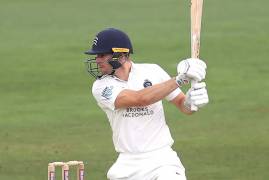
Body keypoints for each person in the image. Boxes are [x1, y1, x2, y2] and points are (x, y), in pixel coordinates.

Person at [84, 28, 209, 180]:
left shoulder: (153, 71)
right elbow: (139, 99)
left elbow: (182, 105)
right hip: (127, 165)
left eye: (102, 55)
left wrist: (191, 102)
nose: (97, 60)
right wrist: (180, 79)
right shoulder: (101, 87)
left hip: (162, 160)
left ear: (121, 55)